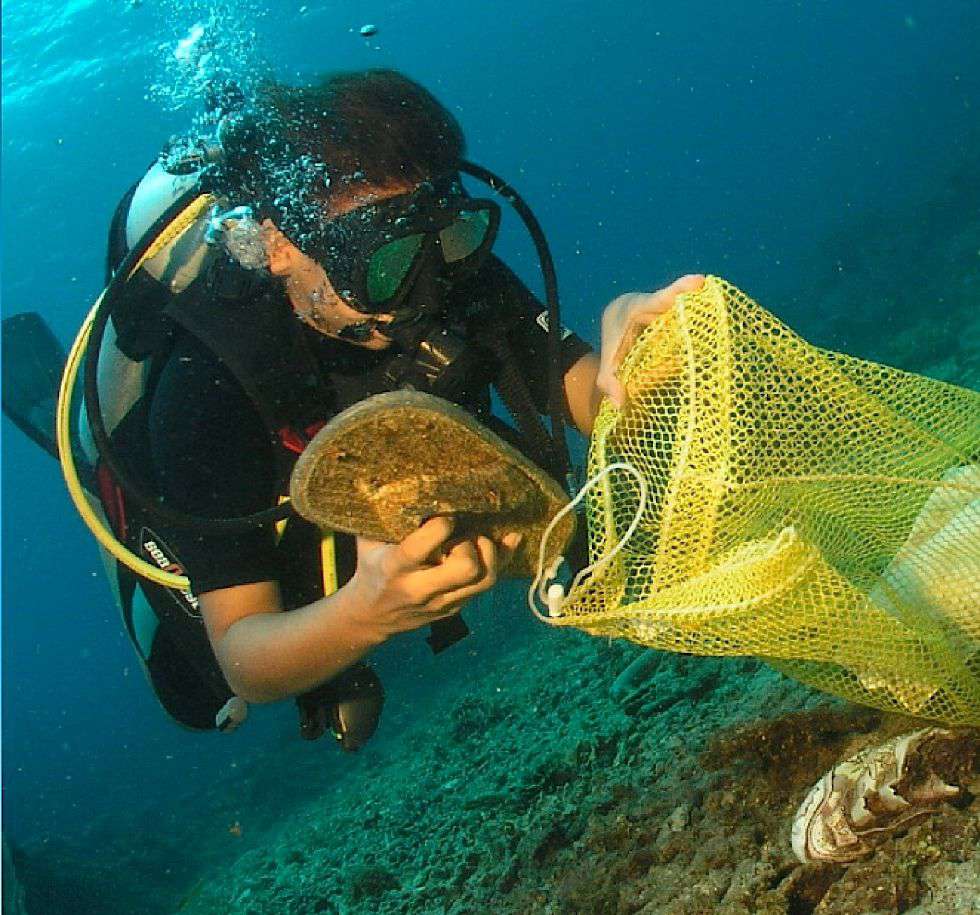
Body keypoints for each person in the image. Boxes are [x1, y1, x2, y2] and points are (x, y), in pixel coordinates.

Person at [84, 68, 705, 747]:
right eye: (386, 262)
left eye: (454, 238)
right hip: (279, 545)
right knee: (201, 692)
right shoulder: (209, 386)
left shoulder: (440, 264)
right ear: (280, 247)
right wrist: (362, 616)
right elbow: (244, 657)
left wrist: (634, 342)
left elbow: (590, 390)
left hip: (391, 498)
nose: (424, 290)